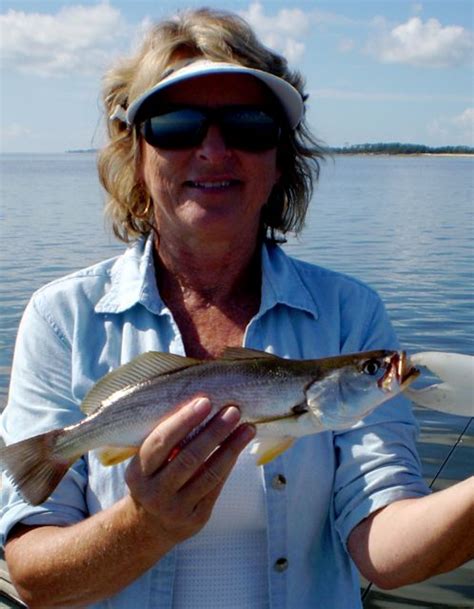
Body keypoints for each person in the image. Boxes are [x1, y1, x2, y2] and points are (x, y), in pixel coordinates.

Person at [1, 7, 472, 609]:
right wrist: (146, 525)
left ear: (281, 160)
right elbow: (37, 580)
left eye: (250, 125)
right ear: (137, 156)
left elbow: (385, 545)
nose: (214, 149)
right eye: (175, 125)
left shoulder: (350, 310)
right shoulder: (61, 317)